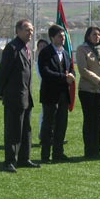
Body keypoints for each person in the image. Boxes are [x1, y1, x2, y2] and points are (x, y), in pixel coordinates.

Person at [0, 19, 41, 173]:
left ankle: (24, 158)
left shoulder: (26, 48)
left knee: (26, 130)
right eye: (28, 30)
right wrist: (2, 93)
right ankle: (9, 161)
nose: (31, 33)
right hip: (14, 97)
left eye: (32, 30)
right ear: (18, 31)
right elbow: (3, 73)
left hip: (26, 97)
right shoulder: (12, 48)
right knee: (13, 130)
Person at [38, 25, 75, 163]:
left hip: (63, 95)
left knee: (62, 125)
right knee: (49, 126)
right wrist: (63, 77)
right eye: (60, 36)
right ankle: (45, 155)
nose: (63, 38)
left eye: (64, 36)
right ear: (52, 37)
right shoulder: (45, 52)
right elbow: (45, 72)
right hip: (50, 95)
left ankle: (58, 153)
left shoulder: (65, 53)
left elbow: (71, 69)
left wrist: (72, 75)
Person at [76, 26, 100, 158]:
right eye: (94, 34)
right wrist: (98, 81)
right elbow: (83, 70)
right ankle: (89, 150)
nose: (97, 37)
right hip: (87, 90)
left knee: (97, 121)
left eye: (99, 35)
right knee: (89, 120)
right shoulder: (82, 49)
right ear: (88, 36)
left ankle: (96, 150)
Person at [35, 38, 49, 144]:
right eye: (40, 47)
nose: (42, 49)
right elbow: (43, 77)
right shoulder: (38, 62)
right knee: (45, 114)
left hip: (54, 89)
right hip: (46, 89)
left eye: (44, 46)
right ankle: (42, 134)